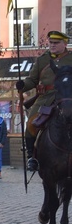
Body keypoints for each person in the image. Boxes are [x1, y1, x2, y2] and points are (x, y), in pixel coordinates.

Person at [16, 30, 72, 172]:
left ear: (65, 44)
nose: (52, 45)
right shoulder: (42, 60)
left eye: (56, 43)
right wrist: (23, 85)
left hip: (67, 96)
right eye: (50, 43)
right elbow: (32, 80)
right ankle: (31, 157)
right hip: (46, 98)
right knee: (31, 124)